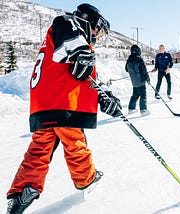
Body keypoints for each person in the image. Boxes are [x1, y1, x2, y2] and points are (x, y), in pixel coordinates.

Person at [6, 3, 122, 213]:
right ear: (92, 22)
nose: (98, 35)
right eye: (100, 30)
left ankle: (23, 191)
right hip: (64, 103)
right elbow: (67, 31)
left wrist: (105, 95)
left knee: (40, 148)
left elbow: (84, 76)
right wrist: (81, 52)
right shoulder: (69, 25)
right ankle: (86, 178)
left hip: (44, 105)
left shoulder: (67, 42)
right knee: (75, 141)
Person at [126, 44, 151, 117]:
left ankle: (131, 108)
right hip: (140, 81)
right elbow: (144, 71)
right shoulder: (139, 59)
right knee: (143, 95)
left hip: (134, 81)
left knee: (135, 95)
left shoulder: (129, 59)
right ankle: (143, 110)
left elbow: (126, 69)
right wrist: (148, 79)